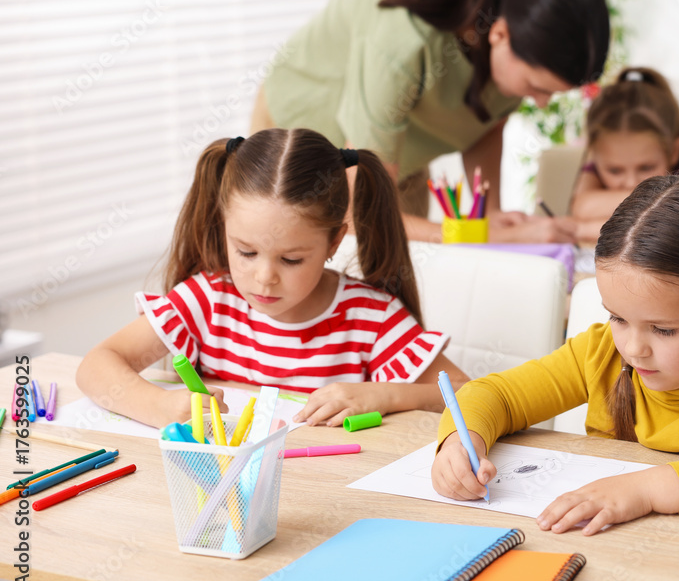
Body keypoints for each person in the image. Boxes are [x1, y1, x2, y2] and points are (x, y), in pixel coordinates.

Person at [431, 175, 679, 535]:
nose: (632, 347)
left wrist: (646, 489)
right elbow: (495, 394)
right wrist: (459, 444)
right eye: (618, 318)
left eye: (663, 329)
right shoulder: (600, 353)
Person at [77, 128, 468, 429]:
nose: (264, 279)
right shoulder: (207, 302)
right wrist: (160, 407)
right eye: (246, 252)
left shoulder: (371, 318)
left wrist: (385, 395)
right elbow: (96, 366)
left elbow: (469, 394)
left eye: (292, 259)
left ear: (334, 240)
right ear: (224, 227)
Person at [251, 0, 611, 244]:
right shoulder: (404, 40)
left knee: (403, 285)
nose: (542, 102)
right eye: (538, 87)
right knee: (291, 278)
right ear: (499, 34)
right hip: (305, 142)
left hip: (397, 155)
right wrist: (477, 235)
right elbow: (360, 213)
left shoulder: (515, 8)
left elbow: (486, 123)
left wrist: (491, 214)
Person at [570, 67, 679, 243]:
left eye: (646, 167)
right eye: (614, 170)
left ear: (674, 151)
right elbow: (582, 208)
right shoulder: (598, 163)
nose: (631, 182)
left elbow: (671, 227)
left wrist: (579, 229)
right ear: (595, 157)